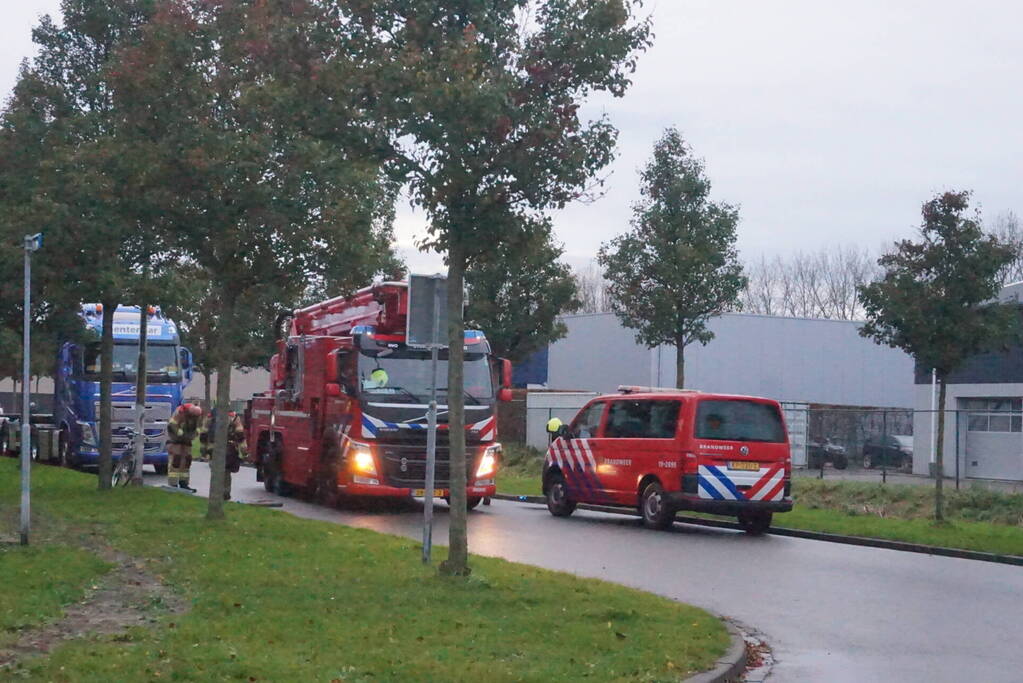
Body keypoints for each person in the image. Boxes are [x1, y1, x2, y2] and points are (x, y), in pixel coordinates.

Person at [166, 403, 202, 491]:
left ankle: (184, 482)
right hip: (175, 438)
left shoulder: (196, 416)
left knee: (187, 460)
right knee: (176, 459)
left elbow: (197, 427)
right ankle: (173, 483)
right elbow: (172, 425)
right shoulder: (180, 412)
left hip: (187, 438)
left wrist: (193, 435)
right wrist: (180, 434)